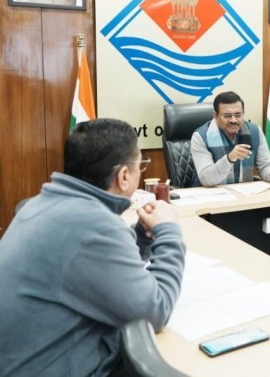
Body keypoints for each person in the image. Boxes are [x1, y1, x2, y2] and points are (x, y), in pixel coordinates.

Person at [0, 118, 185, 376]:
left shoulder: (45, 202)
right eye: (140, 166)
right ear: (123, 176)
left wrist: (142, 237)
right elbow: (156, 311)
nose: (140, 172)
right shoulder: (94, 224)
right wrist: (169, 230)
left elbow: (91, 265)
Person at [191, 91, 270, 187]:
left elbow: (265, 166)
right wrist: (229, 159)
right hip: (208, 193)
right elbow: (206, 179)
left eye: (238, 115)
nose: (233, 120)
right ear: (215, 115)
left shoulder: (254, 131)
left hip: (243, 192)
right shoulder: (200, 136)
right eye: (227, 116)